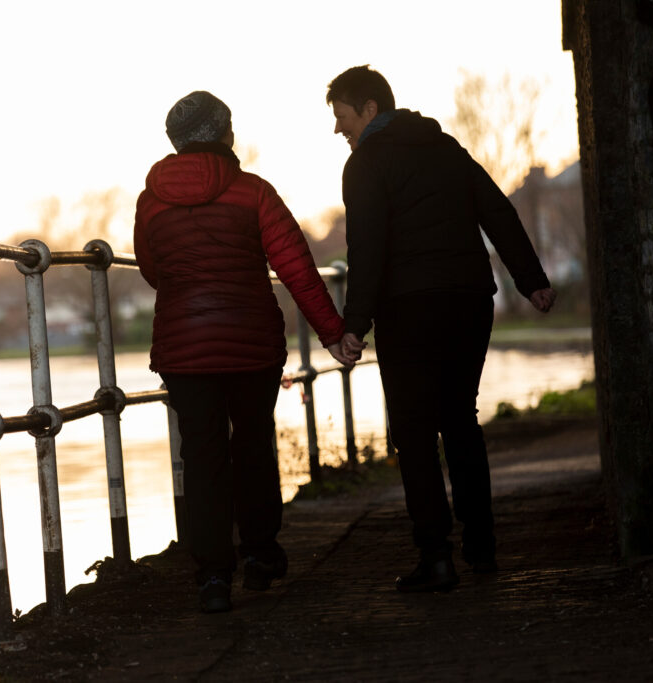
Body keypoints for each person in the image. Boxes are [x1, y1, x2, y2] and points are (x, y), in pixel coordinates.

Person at [326, 65, 556, 593]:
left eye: (342, 118)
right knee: (459, 420)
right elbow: (496, 210)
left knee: (413, 432)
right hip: (467, 302)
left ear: (369, 109)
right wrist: (531, 280)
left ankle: (436, 557)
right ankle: (483, 547)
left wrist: (353, 325)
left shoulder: (365, 165)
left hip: (409, 309)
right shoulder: (445, 147)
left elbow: (367, 249)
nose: (339, 130)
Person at [134, 90, 354, 613]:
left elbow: (152, 269)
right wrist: (332, 331)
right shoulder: (253, 192)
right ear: (226, 134)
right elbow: (296, 268)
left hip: (183, 347)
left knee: (202, 454)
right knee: (253, 444)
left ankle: (212, 576)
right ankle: (258, 554)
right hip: (251, 345)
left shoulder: (151, 200)